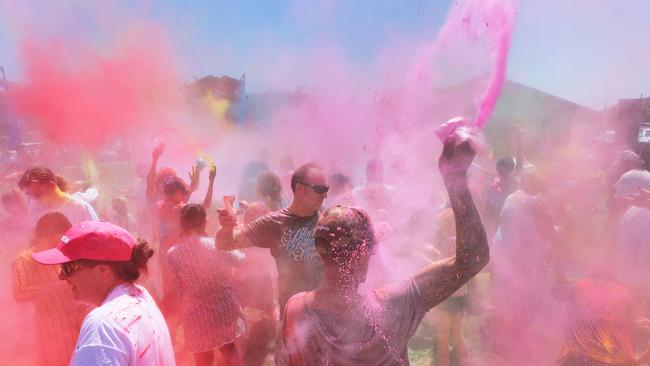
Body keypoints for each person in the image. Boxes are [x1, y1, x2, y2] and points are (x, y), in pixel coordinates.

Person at [278, 137, 489, 365]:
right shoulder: (392, 306)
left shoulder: (295, 309)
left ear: (321, 249)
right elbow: (473, 258)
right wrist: (455, 179)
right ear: (363, 252)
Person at [31, 221, 175, 365]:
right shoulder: (141, 297)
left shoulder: (103, 324)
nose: (61, 276)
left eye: (68, 267)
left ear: (102, 270)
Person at [216, 162, 328, 313]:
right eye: (320, 190)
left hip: (327, 312)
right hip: (294, 315)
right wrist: (227, 228)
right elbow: (226, 243)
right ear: (300, 189)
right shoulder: (275, 223)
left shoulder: (328, 219)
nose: (325, 195)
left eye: (326, 190)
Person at [166, 204, 245, 366]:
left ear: (182, 224)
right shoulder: (216, 245)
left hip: (196, 314)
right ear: (205, 222)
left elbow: (175, 288)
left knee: (203, 360)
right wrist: (232, 233)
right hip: (223, 309)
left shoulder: (173, 253)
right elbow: (240, 260)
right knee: (230, 352)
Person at [13, 212, 85, 366]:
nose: (63, 240)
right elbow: (20, 293)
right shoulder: (26, 258)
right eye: (59, 236)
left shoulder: (65, 254)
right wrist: (57, 286)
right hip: (51, 327)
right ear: (45, 235)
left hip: (76, 323)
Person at [18, 167, 98, 225]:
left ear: (51, 185)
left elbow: (97, 238)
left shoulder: (79, 208)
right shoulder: (35, 209)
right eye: (29, 195)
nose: (34, 199)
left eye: (37, 194)